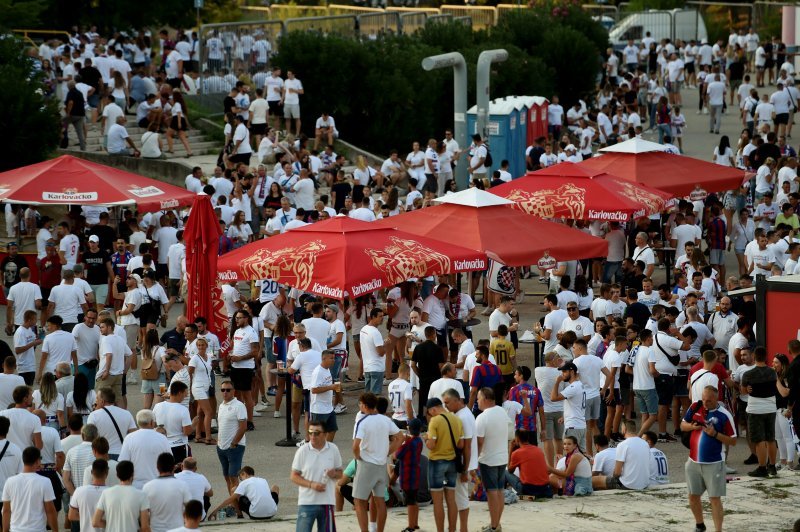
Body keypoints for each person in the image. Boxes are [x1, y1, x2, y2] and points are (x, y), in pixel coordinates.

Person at [681, 385, 737, 532]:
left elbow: (733, 441)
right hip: (693, 461)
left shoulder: (724, 414)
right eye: (704, 399)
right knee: (693, 496)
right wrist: (692, 427)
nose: (705, 403)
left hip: (714, 462)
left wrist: (715, 434)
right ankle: (700, 525)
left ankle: (718, 530)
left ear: (716, 398)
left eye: (709, 401)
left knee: (714, 498)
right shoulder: (695, 406)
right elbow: (682, 425)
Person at [352, 392, 402, 532]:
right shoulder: (385, 420)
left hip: (367, 464)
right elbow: (400, 437)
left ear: (365, 405)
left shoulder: (362, 421)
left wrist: (357, 456)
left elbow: (355, 445)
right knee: (380, 500)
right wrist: (387, 451)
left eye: (360, 404)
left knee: (359, 501)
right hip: (381, 464)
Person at [291, 420, 343, 532]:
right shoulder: (303, 451)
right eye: (310, 432)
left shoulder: (333, 449)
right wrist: (311, 484)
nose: (313, 436)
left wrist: (333, 473)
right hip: (307, 501)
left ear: (325, 434)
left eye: (317, 433)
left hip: (327, 502)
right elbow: (294, 476)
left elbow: (340, 473)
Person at [476, 387, 511, 532]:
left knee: (492, 493)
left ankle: (494, 525)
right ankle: (496, 523)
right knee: (499, 491)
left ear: (485, 399)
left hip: (488, 459)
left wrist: (474, 460)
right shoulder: (502, 411)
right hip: (502, 457)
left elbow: (479, 442)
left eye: (478, 398)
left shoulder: (482, 417)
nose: (477, 401)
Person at [425, 397, 463, 532]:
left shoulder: (435, 421)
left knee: (438, 501)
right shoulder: (456, 420)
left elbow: (431, 445)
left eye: (430, 413)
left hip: (437, 463)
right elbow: (461, 444)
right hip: (452, 461)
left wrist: (426, 439)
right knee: (451, 500)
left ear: (433, 409)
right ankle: (452, 529)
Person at [741, 346, 779, 477]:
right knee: (771, 438)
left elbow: (743, 391)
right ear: (766, 356)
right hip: (771, 407)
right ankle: (772, 466)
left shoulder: (748, 374)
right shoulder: (772, 372)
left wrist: (748, 389)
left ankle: (762, 468)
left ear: (754, 357)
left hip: (755, 408)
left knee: (759, 440)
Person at [1, 446, 58, 532]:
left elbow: (6, 510)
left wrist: (5, 530)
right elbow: (50, 510)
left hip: (16, 529)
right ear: (37, 461)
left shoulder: (10, 481)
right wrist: (55, 530)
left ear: (23, 460)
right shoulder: (45, 481)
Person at [118, 409, 172, 488]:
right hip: (157, 484)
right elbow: (169, 460)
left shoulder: (129, 438)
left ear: (138, 422)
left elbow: (123, 461)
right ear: (151, 422)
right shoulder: (162, 438)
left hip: (136, 485)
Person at [592, 419, 651, 490]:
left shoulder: (622, 445)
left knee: (593, 480)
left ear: (624, 429)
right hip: (644, 484)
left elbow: (617, 472)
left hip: (628, 485)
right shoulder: (645, 444)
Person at [92, 461, 151, 532]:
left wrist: (110, 525)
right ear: (133, 474)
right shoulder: (142, 495)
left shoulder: (106, 493)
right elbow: (145, 527)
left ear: (117, 475)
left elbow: (95, 522)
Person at [142, 452, 191, 532]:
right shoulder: (182, 485)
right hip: (178, 529)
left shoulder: (147, 487)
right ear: (173, 467)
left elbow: (144, 517)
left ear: (157, 468)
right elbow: (190, 509)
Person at [209, 465, 279, 520]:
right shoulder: (263, 480)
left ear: (244, 474)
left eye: (240, 478)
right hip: (272, 512)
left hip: (256, 514)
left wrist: (215, 511)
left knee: (234, 490)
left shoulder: (245, 482)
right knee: (275, 487)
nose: (241, 481)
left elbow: (231, 499)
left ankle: (240, 515)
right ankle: (269, 507)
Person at [217, 379, 248, 496]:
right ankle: (232, 503)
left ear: (233, 391)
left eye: (228, 390)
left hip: (235, 447)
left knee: (234, 477)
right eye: (223, 390)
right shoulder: (221, 406)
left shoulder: (239, 406)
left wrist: (234, 443)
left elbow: (243, 427)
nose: (225, 392)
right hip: (221, 447)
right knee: (227, 477)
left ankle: (238, 505)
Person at [393, 417, 424, 531]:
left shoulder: (408, 443)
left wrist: (401, 441)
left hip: (407, 476)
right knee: (414, 500)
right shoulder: (419, 441)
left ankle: (410, 526)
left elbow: (397, 455)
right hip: (415, 474)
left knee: (410, 501)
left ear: (409, 429)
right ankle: (415, 523)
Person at [152, 380, 193, 463]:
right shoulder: (183, 410)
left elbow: (153, 424)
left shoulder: (157, 406)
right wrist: (194, 424)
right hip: (179, 446)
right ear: (179, 393)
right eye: (185, 394)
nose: (185, 397)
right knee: (180, 473)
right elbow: (187, 432)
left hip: (161, 444)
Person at [507, 429, 552, 499]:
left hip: (528, 490)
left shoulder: (517, 453)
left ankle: (501, 493)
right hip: (545, 489)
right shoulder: (539, 450)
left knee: (505, 472)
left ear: (517, 439)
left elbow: (510, 471)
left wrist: (510, 450)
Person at [550, 361, 587, 446]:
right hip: (581, 425)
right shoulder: (580, 384)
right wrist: (564, 417)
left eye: (564, 372)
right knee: (581, 456)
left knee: (571, 455)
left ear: (572, 372)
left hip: (573, 427)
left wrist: (557, 382)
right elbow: (576, 404)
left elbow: (553, 398)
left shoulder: (572, 387)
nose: (562, 374)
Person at [69, 458, 109, 532]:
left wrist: (87, 517)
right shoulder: (111, 493)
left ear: (91, 472)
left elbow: (71, 516)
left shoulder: (79, 491)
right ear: (107, 473)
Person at [310, 350, 340, 441]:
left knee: (332, 429)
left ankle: (327, 448)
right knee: (318, 434)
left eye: (334, 358)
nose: (333, 360)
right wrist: (331, 387)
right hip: (319, 409)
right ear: (324, 358)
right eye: (331, 358)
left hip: (328, 407)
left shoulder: (327, 370)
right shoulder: (318, 372)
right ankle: (318, 450)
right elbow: (314, 389)